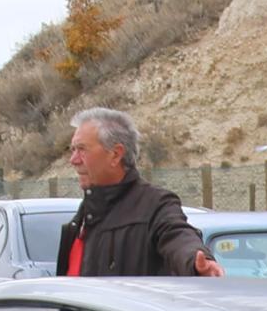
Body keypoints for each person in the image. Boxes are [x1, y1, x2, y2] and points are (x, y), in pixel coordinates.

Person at [49, 107, 216, 278]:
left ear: (115, 154)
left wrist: (196, 263)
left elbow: (178, 236)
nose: (73, 160)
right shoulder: (85, 217)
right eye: (73, 150)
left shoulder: (155, 205)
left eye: (82, 149)